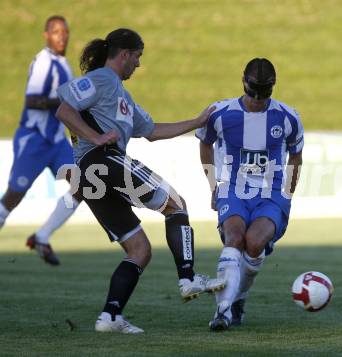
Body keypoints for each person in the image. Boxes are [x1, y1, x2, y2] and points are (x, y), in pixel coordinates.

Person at [55, 28, 225, 334]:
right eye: (137, 57)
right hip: (102, 160)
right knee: (176, 204)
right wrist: (96, 137)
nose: (138, 64)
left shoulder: (122, 96)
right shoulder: (103, 79)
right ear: (124, 55)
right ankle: (188, 278)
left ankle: (110, 317)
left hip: (91, 178)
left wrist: (196, 122)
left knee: (139, 251)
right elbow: (64, 109)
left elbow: (152, 130)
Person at [196, 58, 304, 331]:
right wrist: (213, 185)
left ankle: (239, 299)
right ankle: (222, 311)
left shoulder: (288, 117)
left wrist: (288, 195)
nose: (257, 99)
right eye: (253, 91)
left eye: (263, 93)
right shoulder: (220, 114)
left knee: (254, 244)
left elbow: (296, 156)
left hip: (271, 195)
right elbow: (205, 145)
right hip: (233, 190)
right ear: (243, 81)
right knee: (234, 238)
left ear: (273, 87)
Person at [0, 15, 82, 266]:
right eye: (56, 32)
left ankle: (42, 236)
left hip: (56, 142)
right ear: (46, 35)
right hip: (34, 138)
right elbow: (32, 101)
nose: (62, 36)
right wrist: (67, 100)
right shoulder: (43, 62)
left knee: (84, 185)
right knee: (14, 195)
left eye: (65, 31)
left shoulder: (63, 64)